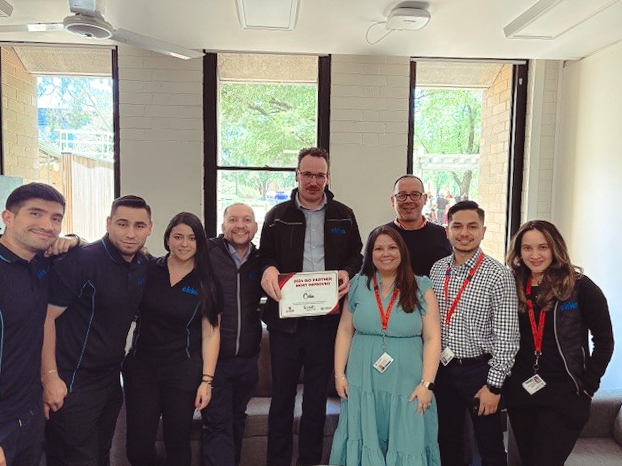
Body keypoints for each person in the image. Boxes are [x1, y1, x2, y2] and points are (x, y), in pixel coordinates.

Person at [260, 147, 363, 466]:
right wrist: (268, 271)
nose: (314, 181)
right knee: (281, 401)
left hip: (326, 323)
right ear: (297, 175)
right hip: (285, 324)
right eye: (308, 174)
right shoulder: (276, 216)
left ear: (328, 177)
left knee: (316, 401)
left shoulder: (344, 215)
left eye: (320, 175)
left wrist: (347, 272)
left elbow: (356, 255)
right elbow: (265, 257)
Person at [42, 195, 153, 466]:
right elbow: (45, 320)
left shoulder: (142, 264)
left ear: (150, 228)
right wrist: (50, 379)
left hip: (110, 380)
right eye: (122, 224)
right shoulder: (81, 260)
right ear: (109, 224)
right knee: (77, 459)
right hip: (73, 381)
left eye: (139, 226)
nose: (130, 233)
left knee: (102, 455)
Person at [329, 226, 441, 465]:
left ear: (402, 251)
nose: (385, 253)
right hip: (362, 377)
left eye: (392, 247)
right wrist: (339, 374)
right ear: (370, 254)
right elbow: (345, 330)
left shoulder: (422, 286)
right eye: (378, 248)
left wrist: (427, 384)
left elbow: (432, 338)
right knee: (363, 435)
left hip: (408, 379)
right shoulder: (358, 285)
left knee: (408, 436)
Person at [505, 220, 614, 466]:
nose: (535, 255)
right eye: (528, 248)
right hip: (522, 394)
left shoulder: (579, 287)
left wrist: (589, 385)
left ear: (555, 248)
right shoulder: (511, 286)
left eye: (543, 247)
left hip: (565, 396)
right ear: (519, 252)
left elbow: (604, 341)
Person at [123, 212, 221, 466]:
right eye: (178, 237)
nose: (184, 243)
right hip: (142, 368)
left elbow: (211, 333)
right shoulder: (147, 267)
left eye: (191, 238)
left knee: (177, 444)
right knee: (138, 449)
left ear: (200, 243)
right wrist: (73, 240)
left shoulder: (207, 281)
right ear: (167, 239)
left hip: (183, 372)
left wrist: (206, 381)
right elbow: (111, 253)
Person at [429, 200, 519, 466]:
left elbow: (508, 338)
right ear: (447, 230)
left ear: (483, 231)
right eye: (457, 226)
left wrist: (494, 386)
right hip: (442, 371)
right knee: (447, 439)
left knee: (489, 445)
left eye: (472, 226)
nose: (464, 233)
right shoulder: (437, 269)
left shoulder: (498, 275)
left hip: (480, 372)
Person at [0, 183, 78, 466]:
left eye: (55, 218)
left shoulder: (40, 263)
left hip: (31, 409)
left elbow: (42, 321)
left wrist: (49, 378)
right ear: (8, 217)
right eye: (36, 214)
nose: (47, 225)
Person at [201, 203, 263, 466]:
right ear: (223, 225)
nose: (240, 225)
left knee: (237, 420)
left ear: (255, 227)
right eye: (234, 220)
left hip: (248, 359)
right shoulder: (205, 253)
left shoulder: (262, 260)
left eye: (247, 220)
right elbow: (168, 260)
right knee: (217, 425)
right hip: (216, 360)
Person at [386, 175, 451, 277]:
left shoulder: (442, 235)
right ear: (392, 200)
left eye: (415, 194)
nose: (408, 200)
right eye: (401, 195)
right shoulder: (380, 236)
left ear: (425, 199)